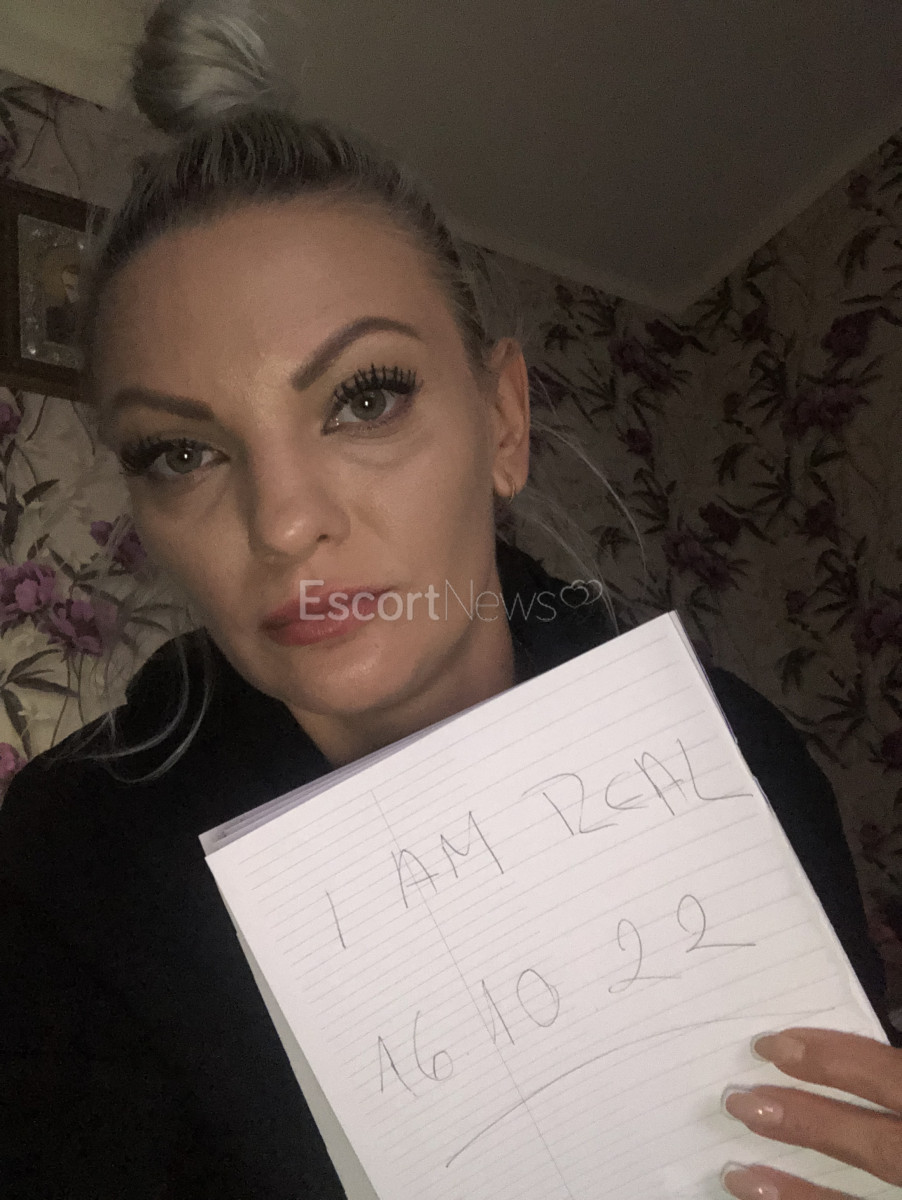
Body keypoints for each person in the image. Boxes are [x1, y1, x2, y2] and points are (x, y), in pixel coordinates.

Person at [1, 2, 901, 1197]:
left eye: (363, 398)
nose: (284, 521)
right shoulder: (64, 872)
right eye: (182, 452)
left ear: (503, 422)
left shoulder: (741, 754)